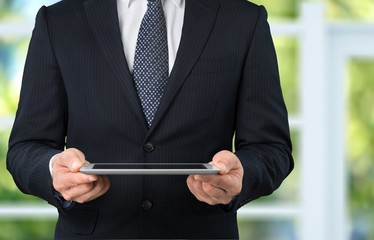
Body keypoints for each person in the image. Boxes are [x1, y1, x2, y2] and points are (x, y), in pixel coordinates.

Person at [7, 0, 294, 239]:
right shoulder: (58, 22)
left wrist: (242, 174)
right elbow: (26, 147)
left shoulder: (243, 20)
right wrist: (53, 172)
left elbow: (271, 148)